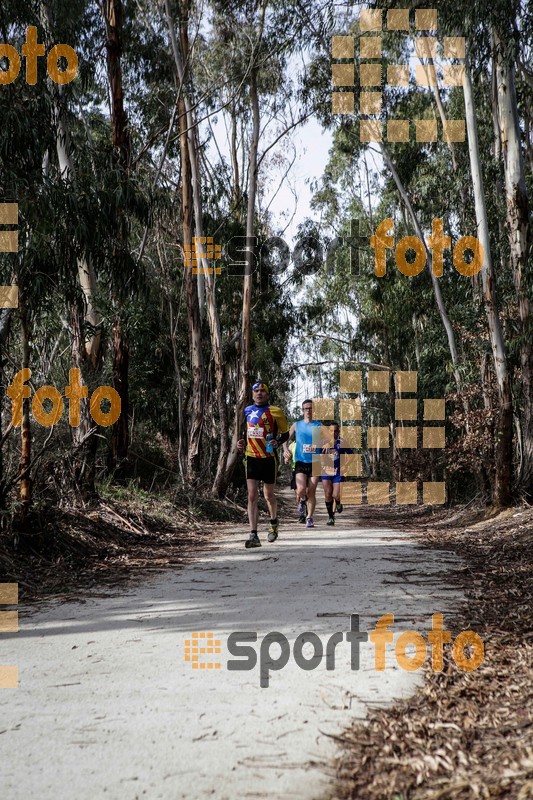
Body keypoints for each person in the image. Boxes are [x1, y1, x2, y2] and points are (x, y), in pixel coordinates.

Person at [237, 382, 289, 549]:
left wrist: (277, 441)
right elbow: (244, 432)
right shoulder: (247, 410)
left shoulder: (275, 411)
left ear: (267, 394)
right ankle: (253, 534)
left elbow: (285, 433)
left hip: (268, 458)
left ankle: (273, 523)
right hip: (251, 457)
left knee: (268, 496)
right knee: (252, 496)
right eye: (256, 391)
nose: (259, 393)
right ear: (252, 394)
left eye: (262, 391)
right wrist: (241, 442)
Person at [284, 399, 321, 528]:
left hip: (315, 462)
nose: (308, 411)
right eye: (306, 408)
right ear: (302, 410)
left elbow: (328, 441)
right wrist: (285, 450)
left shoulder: (318, 425)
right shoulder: (297, 425)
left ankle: (309, 517)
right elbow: (285, 438)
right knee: (300, 489)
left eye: (310, 408)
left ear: (313, 410)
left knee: (311, 491)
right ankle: (302, 500)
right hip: (300, 461)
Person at [320, 422, 355, 525]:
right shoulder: (322, 442)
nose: (333, 433)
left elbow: (351, 455)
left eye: (335, 431)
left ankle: (338, 502)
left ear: (338, 431)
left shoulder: (343, 442)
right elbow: (316, 455)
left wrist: (346, 465)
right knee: (328, 494)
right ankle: (331, 516)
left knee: (336, 495)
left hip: (338, 472)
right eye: (331, 430)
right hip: (326, 471)